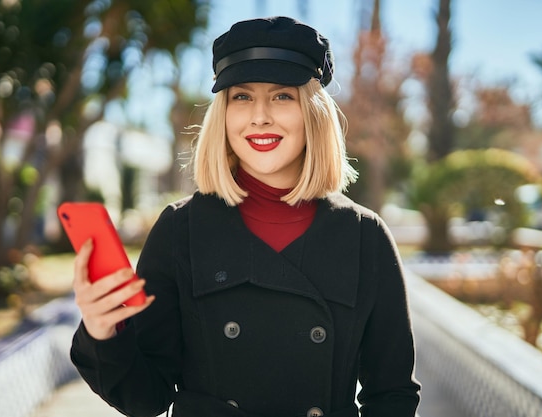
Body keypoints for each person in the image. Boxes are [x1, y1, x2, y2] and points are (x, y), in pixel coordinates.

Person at [70, 16, 421, 417]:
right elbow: (146, 396)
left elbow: (392, 394)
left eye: (282, 96)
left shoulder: (365, 235)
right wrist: (103, 331)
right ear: (223, 113)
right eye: (242, 97)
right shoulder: (180, 229)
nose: (259, 116)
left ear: (314, 113)